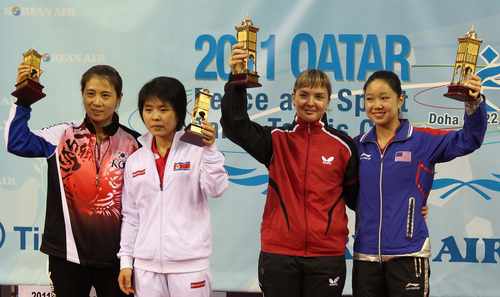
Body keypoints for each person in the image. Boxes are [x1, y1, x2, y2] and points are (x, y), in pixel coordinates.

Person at [220, 43, 359, 297]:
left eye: (319, 97)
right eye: (304, 95)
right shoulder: (276, 140)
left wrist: (407, 205)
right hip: (279, 254)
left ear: (328, 102)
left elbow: (359, 200)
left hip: (326, 257)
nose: (310, 102)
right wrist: (237, 79)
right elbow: (234, 125)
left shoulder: (344, 147)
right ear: (293, 98)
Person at [5, 63, 141, 296]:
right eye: (90, 94)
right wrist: (24, 98)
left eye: (105, 95)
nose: (97, 102)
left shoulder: (135, 144)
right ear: (82, 95)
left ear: (119, 99)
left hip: (116, 261)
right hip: (66, 256)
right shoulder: (62, 135)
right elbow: (16, 142)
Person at [352, 70, 487, 297]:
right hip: (366, 257)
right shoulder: (356, 146)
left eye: (384, 97)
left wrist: (474, 102)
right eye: (370, 98)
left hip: (408, 254)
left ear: (400, 99)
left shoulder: (423, 141)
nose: (377, 104)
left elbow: (468, 139)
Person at [117, 77, 229, 297]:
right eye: (148, 109)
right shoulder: (136, 160)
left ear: (179, 112)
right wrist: (126, 262)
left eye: (163, 109)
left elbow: (216, 189)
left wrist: (210, 149)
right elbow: (131, 216)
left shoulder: (197, 151)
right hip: (145, 268)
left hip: (189, 268)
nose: (155, 117)